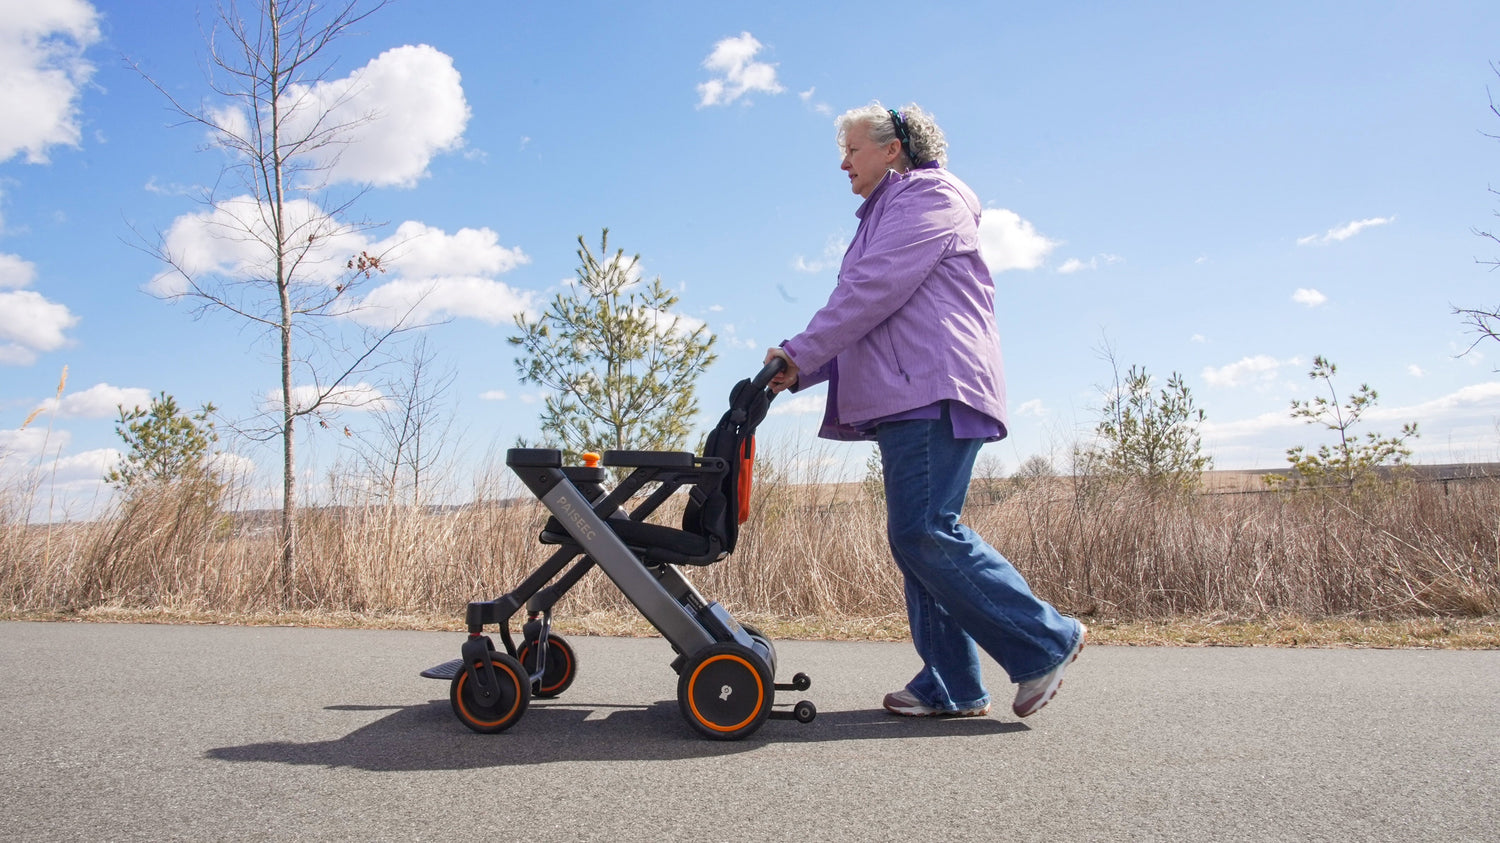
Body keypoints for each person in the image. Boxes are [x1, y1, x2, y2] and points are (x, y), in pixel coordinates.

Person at [765, 102, 1084, 718]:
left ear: (892, 149)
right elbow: (866, 313)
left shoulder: (927, 196)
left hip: (932, 386)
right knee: (918, 540)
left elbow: (874, 288)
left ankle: (1046, 640)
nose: (843, 163)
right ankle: (952, 684)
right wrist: (798, 367)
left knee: (925, 531)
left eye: (853, 149)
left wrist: (803, 353)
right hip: (907, 390)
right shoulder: (887, 210)